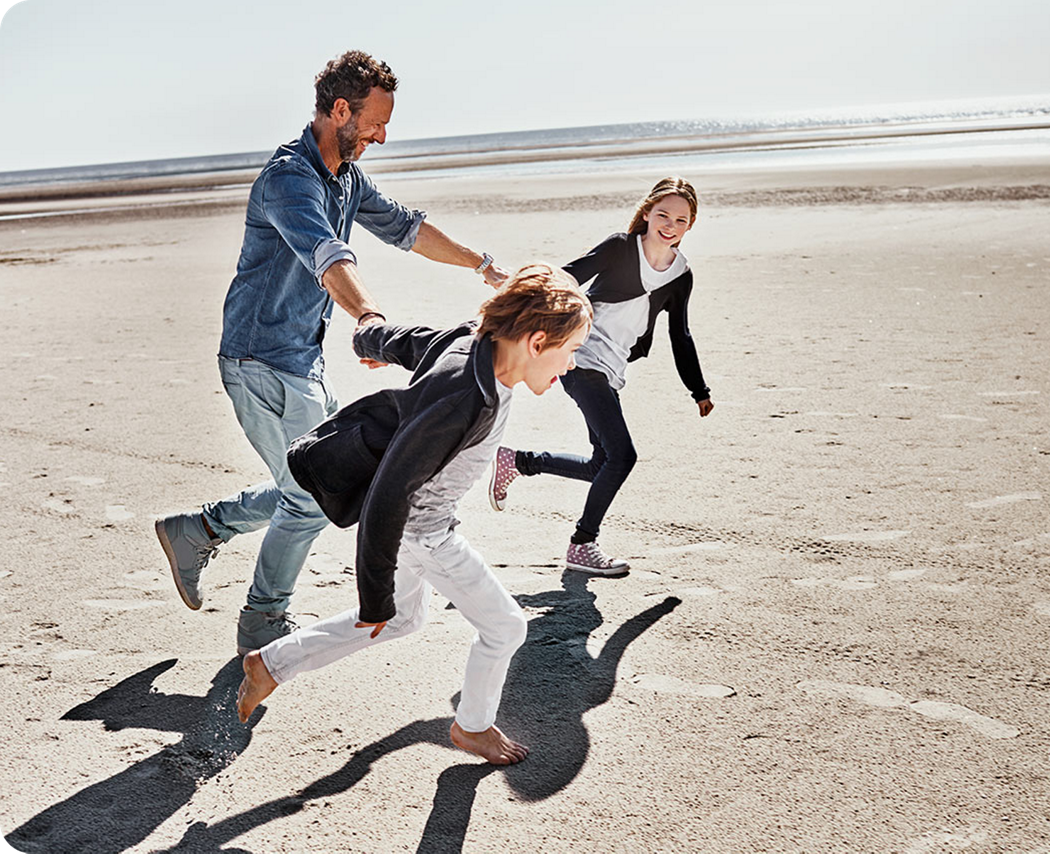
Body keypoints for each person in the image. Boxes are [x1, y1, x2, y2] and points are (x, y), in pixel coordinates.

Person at [154, 50, 507, 655]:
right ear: (339, 109)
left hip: (300, 358)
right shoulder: (290, 179)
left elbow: (406, 227)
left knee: (330, 475)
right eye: (374, 122)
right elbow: (327, 256)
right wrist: (370, 317)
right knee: (309, 493)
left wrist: (481, 264)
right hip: (260, 360)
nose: (382, 135)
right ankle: (262, 620)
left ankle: (201, 528)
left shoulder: (345, 175)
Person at [236, 264, 592, 765]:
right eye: (571, 350)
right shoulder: (465, 399)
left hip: (414, 531)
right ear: (536, 343)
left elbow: (411, 341)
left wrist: (368, 338)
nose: (571, 365)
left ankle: (270, 664)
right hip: (425, 532)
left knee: (401, 620)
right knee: (506, 627)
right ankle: (473, 727)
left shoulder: (472, 342)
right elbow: (388, 492)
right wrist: (373, 592)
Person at [487, 177, 713, 575]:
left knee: (601, 463)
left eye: (681, 219)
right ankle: (582, 544)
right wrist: (520, 291)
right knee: (623, 456)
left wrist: (698, 388)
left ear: (690, 225)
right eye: (663, 214)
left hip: (611, 369)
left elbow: (682, 334)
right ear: (646, 213)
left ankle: (517, 462)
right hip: (578, 358)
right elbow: (570, 275)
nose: (670, 224)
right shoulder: (621, 248)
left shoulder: (681, 275)